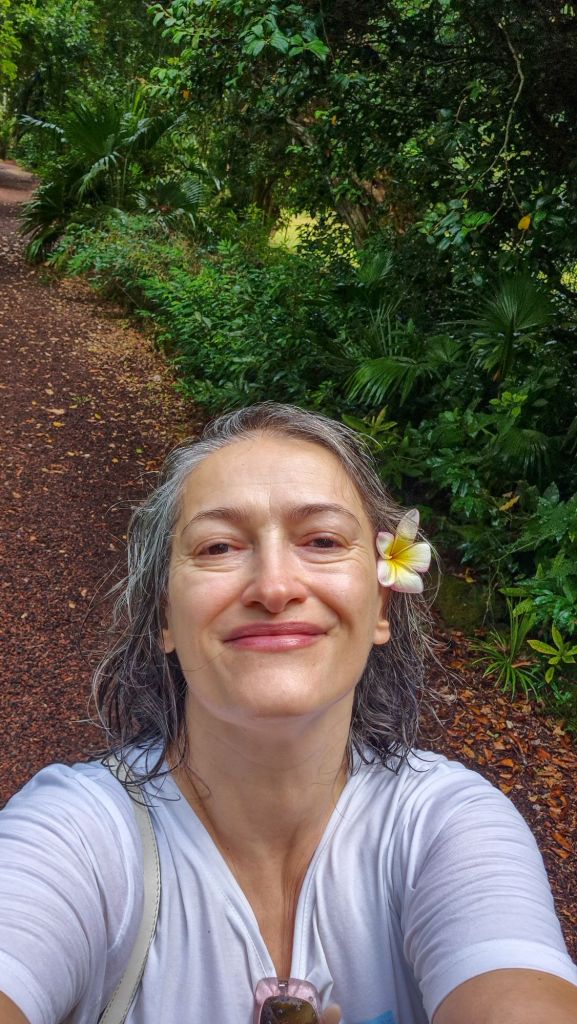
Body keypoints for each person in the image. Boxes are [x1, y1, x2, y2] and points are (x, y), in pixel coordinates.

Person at [1, 402, 576, 1024]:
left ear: (382, 603)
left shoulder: (445, 826)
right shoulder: (76, 837)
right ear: (166, 613)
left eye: (323, 541)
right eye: (218, 547)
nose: (274, 588)